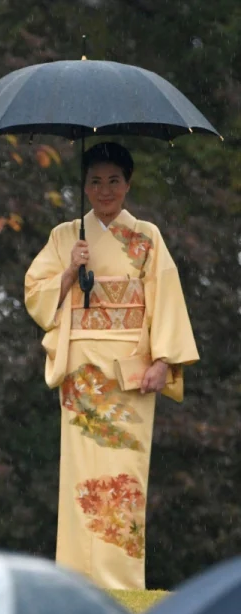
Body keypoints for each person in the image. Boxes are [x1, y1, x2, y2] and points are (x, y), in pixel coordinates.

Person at [24, 141, 198, 590]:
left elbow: (166, 297)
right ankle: (76, 579)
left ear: (128, 184)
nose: (104, 190)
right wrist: (68, 273)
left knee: (124, 474)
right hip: (82, 368)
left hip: (130, 370)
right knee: (80, 474)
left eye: (114, 181)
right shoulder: (66, 236)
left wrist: (163, 359)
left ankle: (119, 580)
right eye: (95, 181)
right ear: (84, 186)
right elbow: (34, 293)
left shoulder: (146, 236)